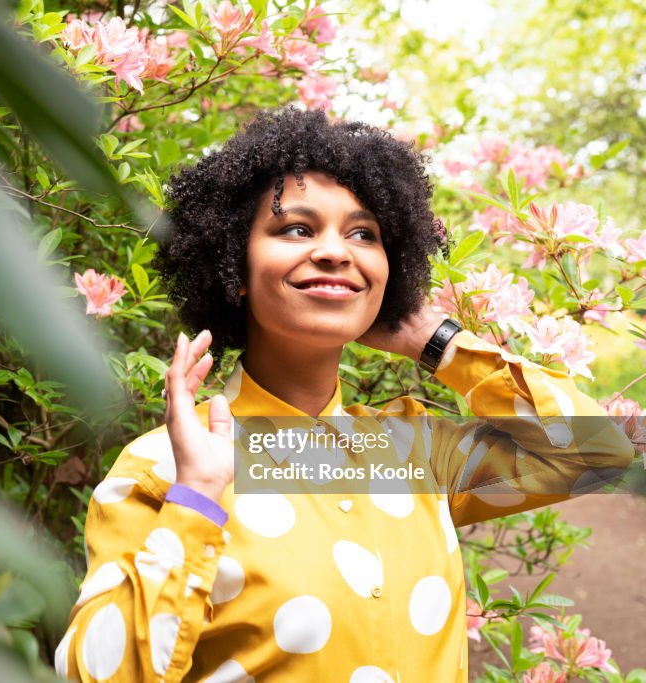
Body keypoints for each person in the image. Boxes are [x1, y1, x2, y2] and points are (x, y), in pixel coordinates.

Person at [54, 109, 632, 682]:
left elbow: (595, 452)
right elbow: (97, 674)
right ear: (233, 266)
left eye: (364, 234)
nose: (337, 252)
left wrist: (436, 341)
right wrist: (197, 498)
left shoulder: (413, 451)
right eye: (297, 229)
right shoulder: (168, 467)